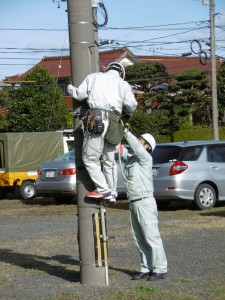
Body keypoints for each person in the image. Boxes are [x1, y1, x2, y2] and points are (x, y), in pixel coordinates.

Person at [67, 62, 137, 202]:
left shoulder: (94, 77)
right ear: (121, 73)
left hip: (97, 119)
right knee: (109, 160)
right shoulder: (123, 84)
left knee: (90, 159)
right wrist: (127, 113)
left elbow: (79, 95)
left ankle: (103, 190)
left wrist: (69, 88)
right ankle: (112, 191)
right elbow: (131, 105)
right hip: (114, 122)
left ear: (108, 69)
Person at [121, 129, 168, 281]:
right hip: (134, 202)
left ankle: (160, 268)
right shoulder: (132, 159)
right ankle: (146, 267)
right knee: (139, 237)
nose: (138, 140)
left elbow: (135, 146)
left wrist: (125, 131)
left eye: (141, 139)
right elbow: (120, 150)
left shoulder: (145, 158)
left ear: (147, 146)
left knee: (151, 236)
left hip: (145, 201)